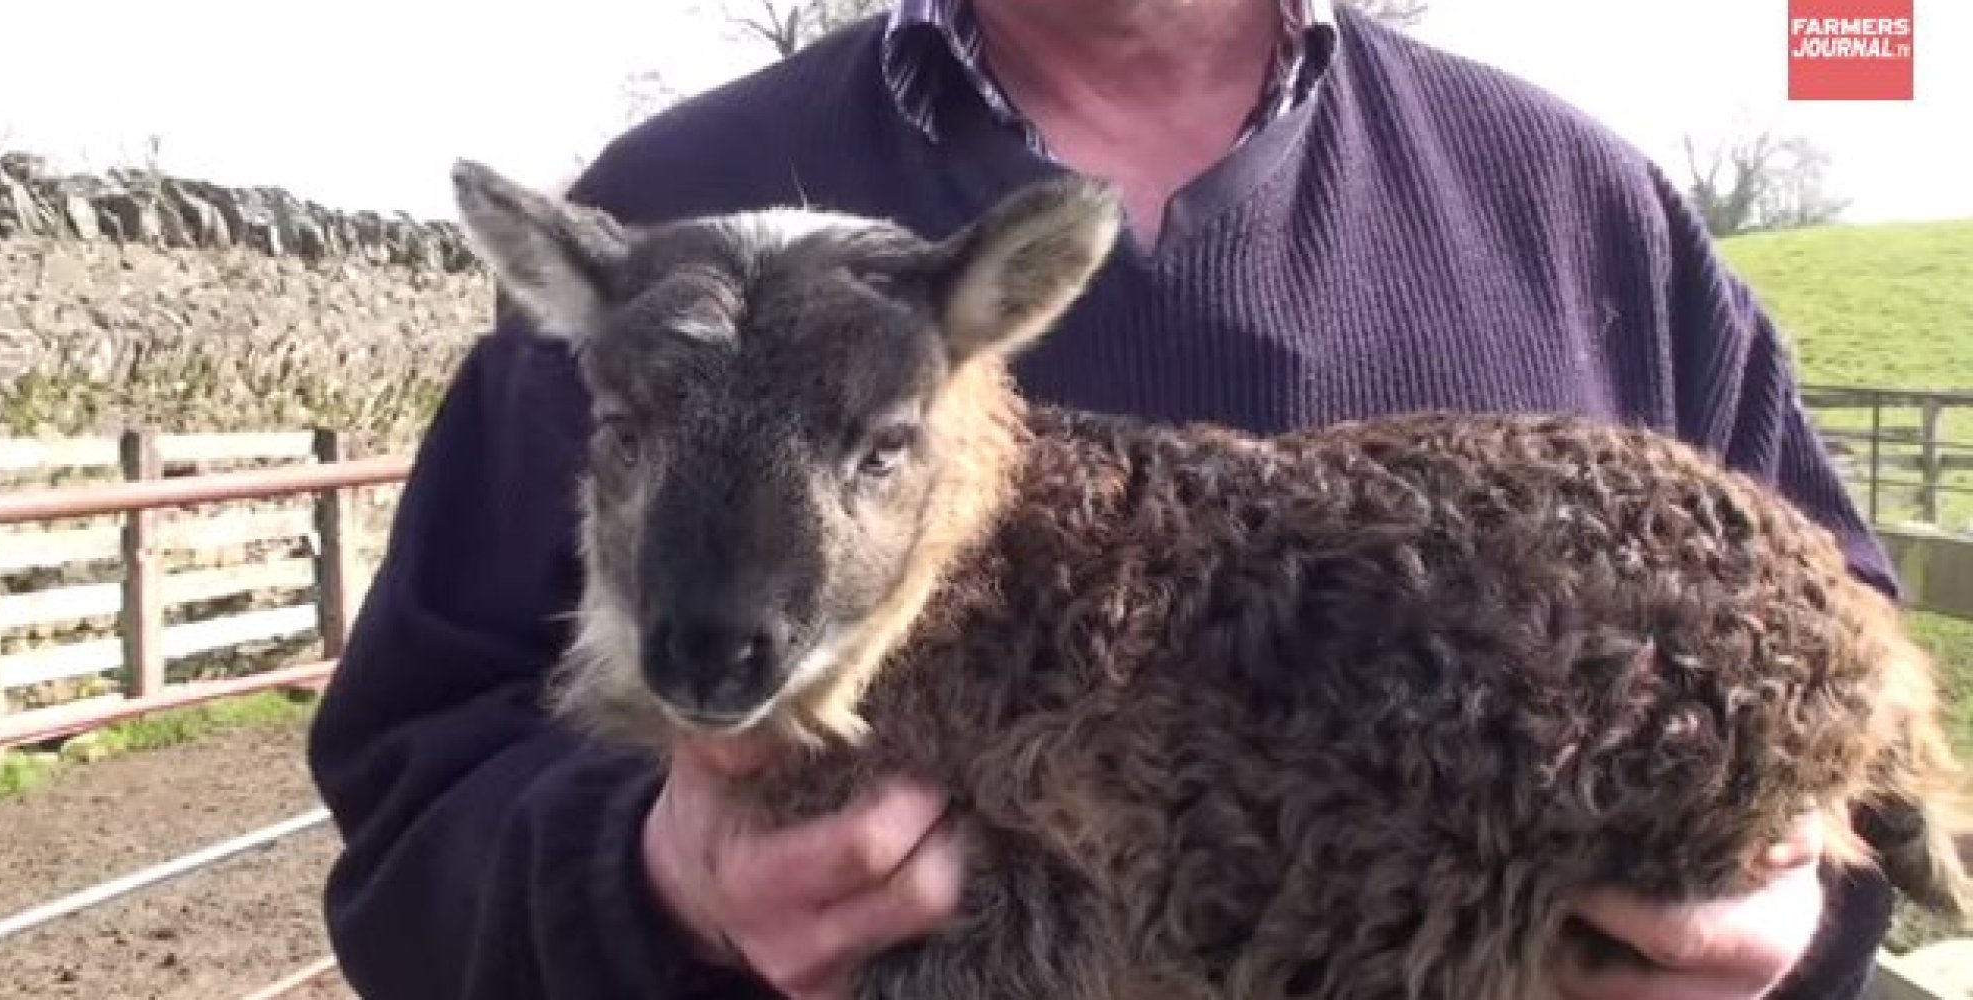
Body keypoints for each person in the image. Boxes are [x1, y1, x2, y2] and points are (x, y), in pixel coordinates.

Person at [306, 1, 1904, 998]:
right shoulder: (659, 235)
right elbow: (411, 824)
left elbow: (1862, 718)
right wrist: (657, 890)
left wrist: (1789, 925)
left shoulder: (1578, 206)